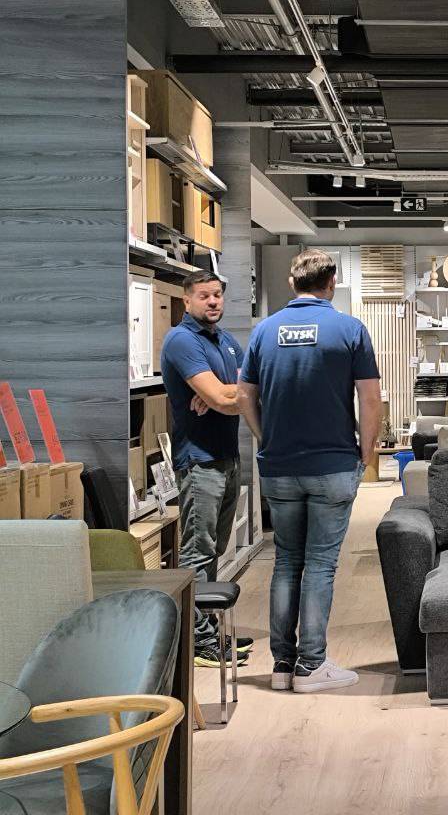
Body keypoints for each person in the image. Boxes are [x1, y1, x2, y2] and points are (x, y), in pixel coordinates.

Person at [238, 250, 382, 694]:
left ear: (292, 282)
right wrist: (365, 453)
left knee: (286, 561)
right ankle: (311, 666)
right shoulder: (349, 329)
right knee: (320, 564)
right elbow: (370, 399)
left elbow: (244, 396)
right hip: (332, 464)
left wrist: (265, 438)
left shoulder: (264, 331)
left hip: (279, 466)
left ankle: (282, 665)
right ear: (331, 282)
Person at [159, 270, 252, 668]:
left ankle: (208, 628)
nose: (213, 301)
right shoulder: (182, 340)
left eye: (217, 295)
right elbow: (228, 396)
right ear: (187, 300)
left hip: (227, 458)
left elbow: (253, 389)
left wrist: (222, 394)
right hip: (199, 462)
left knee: (214, 550)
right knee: (197, 552)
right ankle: (198, 641)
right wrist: (220, 395)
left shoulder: (226, 340)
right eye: (204, 296)